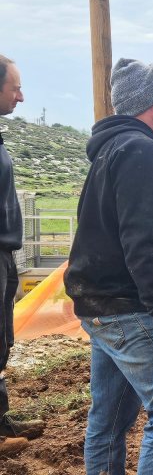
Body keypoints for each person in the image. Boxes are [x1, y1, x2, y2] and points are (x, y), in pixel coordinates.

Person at [64, 58, 153, 475]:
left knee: (110, 417)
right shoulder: (140, 151)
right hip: (130, 309)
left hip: (101, 306)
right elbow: (142, 245)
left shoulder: (114, 148)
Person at [0, 54, 45, 456]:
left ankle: (1, 419)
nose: (21, 96)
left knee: (1, 338)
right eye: (15, 87)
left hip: (3, 252)